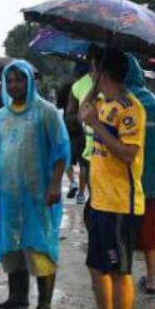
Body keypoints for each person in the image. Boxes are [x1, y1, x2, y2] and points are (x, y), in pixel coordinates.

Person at [0, 60, 70, 309]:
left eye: (19, 79)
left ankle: (45, 304)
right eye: (10, 80)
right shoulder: (2, 116)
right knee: (11, 245)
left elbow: (61, 150)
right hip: (7, 194)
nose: (14, 85)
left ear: (30, 81)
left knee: (40, 244)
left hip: (39, 194)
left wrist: (56, 184)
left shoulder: (45, 112)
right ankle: (17, 297)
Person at [71, 47, 145, 309]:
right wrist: (90, 105)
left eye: (93, 69)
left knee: (118, 272)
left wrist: (98, 127)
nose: (89, 74)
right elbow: (81, 114)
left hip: (120, 205)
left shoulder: (130, 108)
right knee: (96, 267)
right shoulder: (102, 102)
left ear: (103, 72)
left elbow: (128, 153)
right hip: (99, 200)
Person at [125, 54, 155, 296]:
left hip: (123, 182)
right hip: (150, 181)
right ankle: (152, 279)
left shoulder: (120, 101)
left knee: (122, 233)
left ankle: (122, 279)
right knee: (151, 234)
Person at [68, 47, 104, 205]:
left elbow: (71, 113)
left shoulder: (78, 85)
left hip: (93, 139)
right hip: (90, 139)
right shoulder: (80, 86)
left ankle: (85, 196)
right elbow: (74, 113)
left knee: (86, 169)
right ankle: (88, 197)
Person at [56, 74, 84, 199]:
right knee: (83, 161)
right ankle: (82, 193)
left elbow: (58, 106)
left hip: (67, 124)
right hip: (82, 124)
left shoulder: (65, 88)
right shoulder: (84, 88)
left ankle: (73, 182)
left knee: (66, 156)